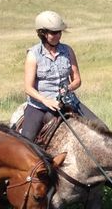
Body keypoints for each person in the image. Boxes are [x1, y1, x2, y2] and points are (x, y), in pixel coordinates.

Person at [21, 9, 84, 142]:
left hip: (68, 101)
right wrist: (45, 101)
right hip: (40, 106)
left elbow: (77, 80)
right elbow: (28, 88)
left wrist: (68, 88)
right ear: (42, 33)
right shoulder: (33, 54)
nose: (58, 36)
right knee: (26, 141)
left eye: (59, 32)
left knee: (101, 127)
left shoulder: (68, 50)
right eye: (53, 33)